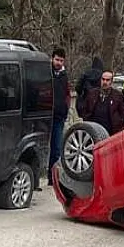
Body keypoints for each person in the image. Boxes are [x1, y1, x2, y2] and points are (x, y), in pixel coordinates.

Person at [77, 70, 124, 135]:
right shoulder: (92, 94)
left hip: (111, 131)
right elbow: (85, 108)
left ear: (111, 82)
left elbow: (123, 112)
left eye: (107, 80)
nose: (105, 82)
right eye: (103, 79)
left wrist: (118, 123)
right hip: (94, 130)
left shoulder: (117, 95)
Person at [48, 47, 71, 184]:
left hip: (59, 116)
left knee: (56, 148)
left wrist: (65, 110)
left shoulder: (64, 76)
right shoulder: (46, 73)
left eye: (61, 60)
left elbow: (67, 94)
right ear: (52, 58)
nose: (58, 63)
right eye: (57, 59)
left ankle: (52, 178)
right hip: (45, 115)